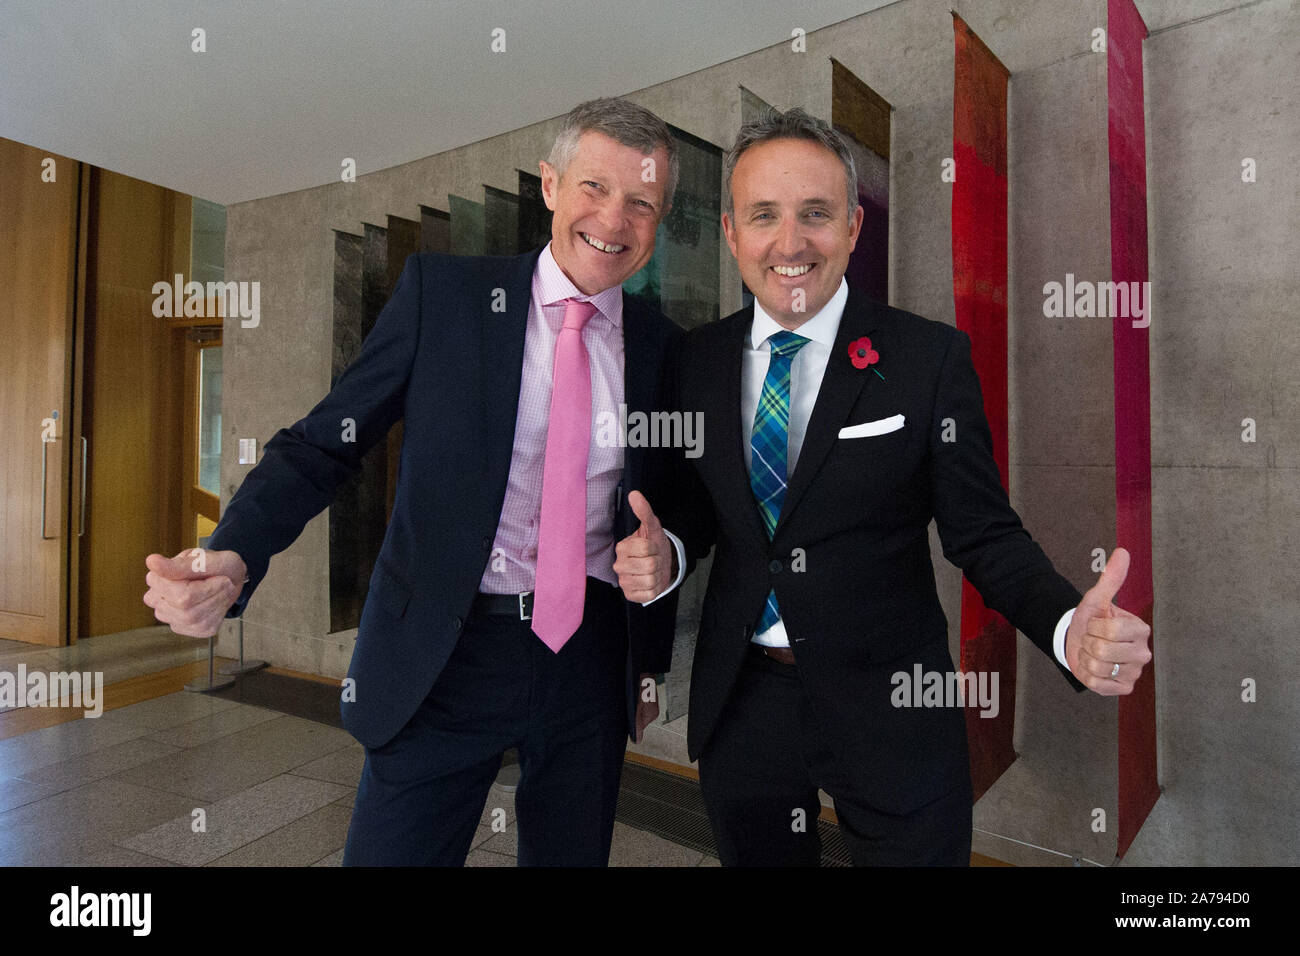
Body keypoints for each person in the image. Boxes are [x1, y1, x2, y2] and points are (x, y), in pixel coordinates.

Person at [144, 97, 687, 866]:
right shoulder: (447, 297)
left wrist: (663, 588)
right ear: (549, 185)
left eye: (642, 202)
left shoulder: (664, 346)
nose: (614, 218)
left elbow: (676, 508)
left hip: (590, 662)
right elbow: (323, 443)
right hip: (445, 649)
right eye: (594, 188)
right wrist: (235, 552)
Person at [613, 107, 1153, 866]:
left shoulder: (927, 360)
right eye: (764, 215)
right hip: (744, 705)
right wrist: (666, 551)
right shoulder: (695, 361)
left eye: (816, 214)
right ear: (732, 233)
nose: (791, 242)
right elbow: (701, 510)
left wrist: (1068, 627)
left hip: (894, 702)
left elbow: (983, 534)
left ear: (854, 227)